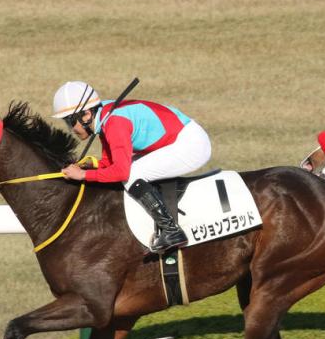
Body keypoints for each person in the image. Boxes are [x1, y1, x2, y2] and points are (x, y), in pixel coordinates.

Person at [52, 81, 212, 252]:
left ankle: (171, 231)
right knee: (132, 169)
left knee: (133, 174)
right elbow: (110, 161)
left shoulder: (114, 123)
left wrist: (83, 175)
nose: (71, 129)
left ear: (86, 115)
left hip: (191, 145)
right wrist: (92, 164)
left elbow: (121, 172)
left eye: (70, 122)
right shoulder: (103, 115)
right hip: (178, 139)